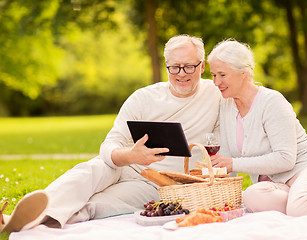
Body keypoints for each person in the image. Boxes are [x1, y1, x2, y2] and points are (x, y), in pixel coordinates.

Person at [0, 34, 221, 233]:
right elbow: (109, 145)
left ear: (202, 67)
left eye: (189, 67)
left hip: (155, 185)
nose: (181, 74)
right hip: (124, 165)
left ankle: (31, 224)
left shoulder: (216, 94)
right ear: (166, 67)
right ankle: (20, 216)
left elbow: (246, 88)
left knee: (97, 204)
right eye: (175, 67)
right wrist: (130, 156)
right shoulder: (143, 97)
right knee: (89, 171)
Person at [207, 39, 307, 217]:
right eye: (213, 75)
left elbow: (285, 158)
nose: (216, 82)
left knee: (299, 206)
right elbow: (226, 158)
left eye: (222, 75)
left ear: (243, 72)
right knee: (251, 196)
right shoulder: (225, 106)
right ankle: (305, 205)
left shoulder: (271, 101)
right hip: (278, 186)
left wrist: (233, 163)